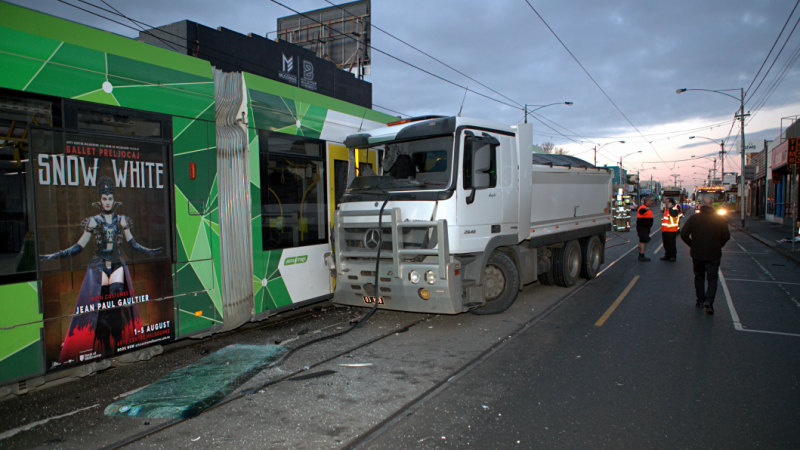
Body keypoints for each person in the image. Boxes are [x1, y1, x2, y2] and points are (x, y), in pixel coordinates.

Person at [40, 176, 163, 361]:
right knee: (100, 310)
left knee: (116, 307)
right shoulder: (92, 221)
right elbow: (78, 246)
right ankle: (106, 346)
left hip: (116, 264)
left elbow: (133, 244)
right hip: (98, 266)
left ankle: (118, 343)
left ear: (114, 199)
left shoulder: (122, 220)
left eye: (110, 198)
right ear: (100, 200)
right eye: (104, 198)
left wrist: (151, 251)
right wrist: (54, 256)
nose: (107, 202)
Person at [680, 196, 730, 314]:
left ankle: (700, 300)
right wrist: (719, 245)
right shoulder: (720, 219)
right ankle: (709, 301)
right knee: (712, 278)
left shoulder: (694, 218)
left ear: (701, 205)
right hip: (714, 253)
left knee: (699, 277)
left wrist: (692, 244)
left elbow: (683, 233)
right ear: (712, 205)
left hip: (698, 253)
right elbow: (726, 236)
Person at [635, 196, 655, 261]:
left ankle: (640, 254)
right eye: (650, 201)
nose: (652, 202)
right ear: (647, 202)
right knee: (643, 240)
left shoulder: (647, 208)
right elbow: (641, 211)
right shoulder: (643, 208)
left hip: (645, 228)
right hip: (643, 228)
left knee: (641, 240)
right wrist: (646, 209)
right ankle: (641, 255)